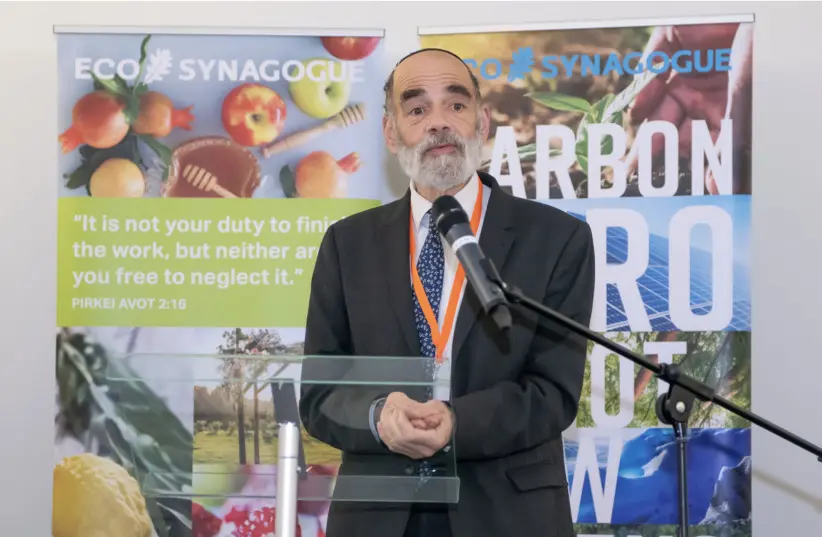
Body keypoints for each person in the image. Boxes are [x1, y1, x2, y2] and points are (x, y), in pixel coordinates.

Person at [299, 48, 595, 537]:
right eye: (416, 109)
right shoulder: (347, 244)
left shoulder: (556, 239)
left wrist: (456, 420)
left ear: (482, 124)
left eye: (456, 105)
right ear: (391, 132)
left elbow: (552, 393)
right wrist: (378, 415)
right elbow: (322, 392)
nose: (438, 123)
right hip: (380, 516)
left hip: (506, 514)